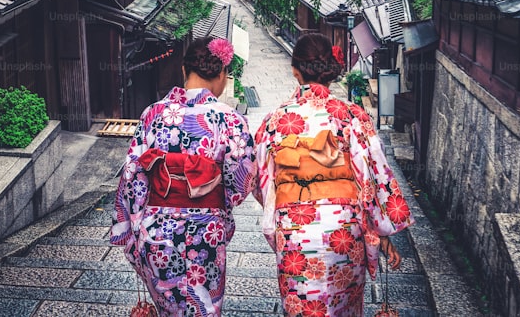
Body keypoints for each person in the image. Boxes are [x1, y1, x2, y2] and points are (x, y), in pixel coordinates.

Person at [253, 34, 412, 317]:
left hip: (294, 229)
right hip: (344, 228)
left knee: (304, 308)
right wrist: (380, 230)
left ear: (294, 69)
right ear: (330, 69)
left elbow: (260, 180)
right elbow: (375, 175)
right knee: (343, 308)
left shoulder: (274, 121)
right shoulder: (351, 115)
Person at [111, 36, 256, 316]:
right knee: (204, 307)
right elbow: (241, 181)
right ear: (222, 74)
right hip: (206, 233)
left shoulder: (152, 114)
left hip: (157, 234)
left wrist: (131, 226)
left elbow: (132, 174)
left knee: (169, 310)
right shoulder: (230, 119)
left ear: (183, 69)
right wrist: (213, 200)